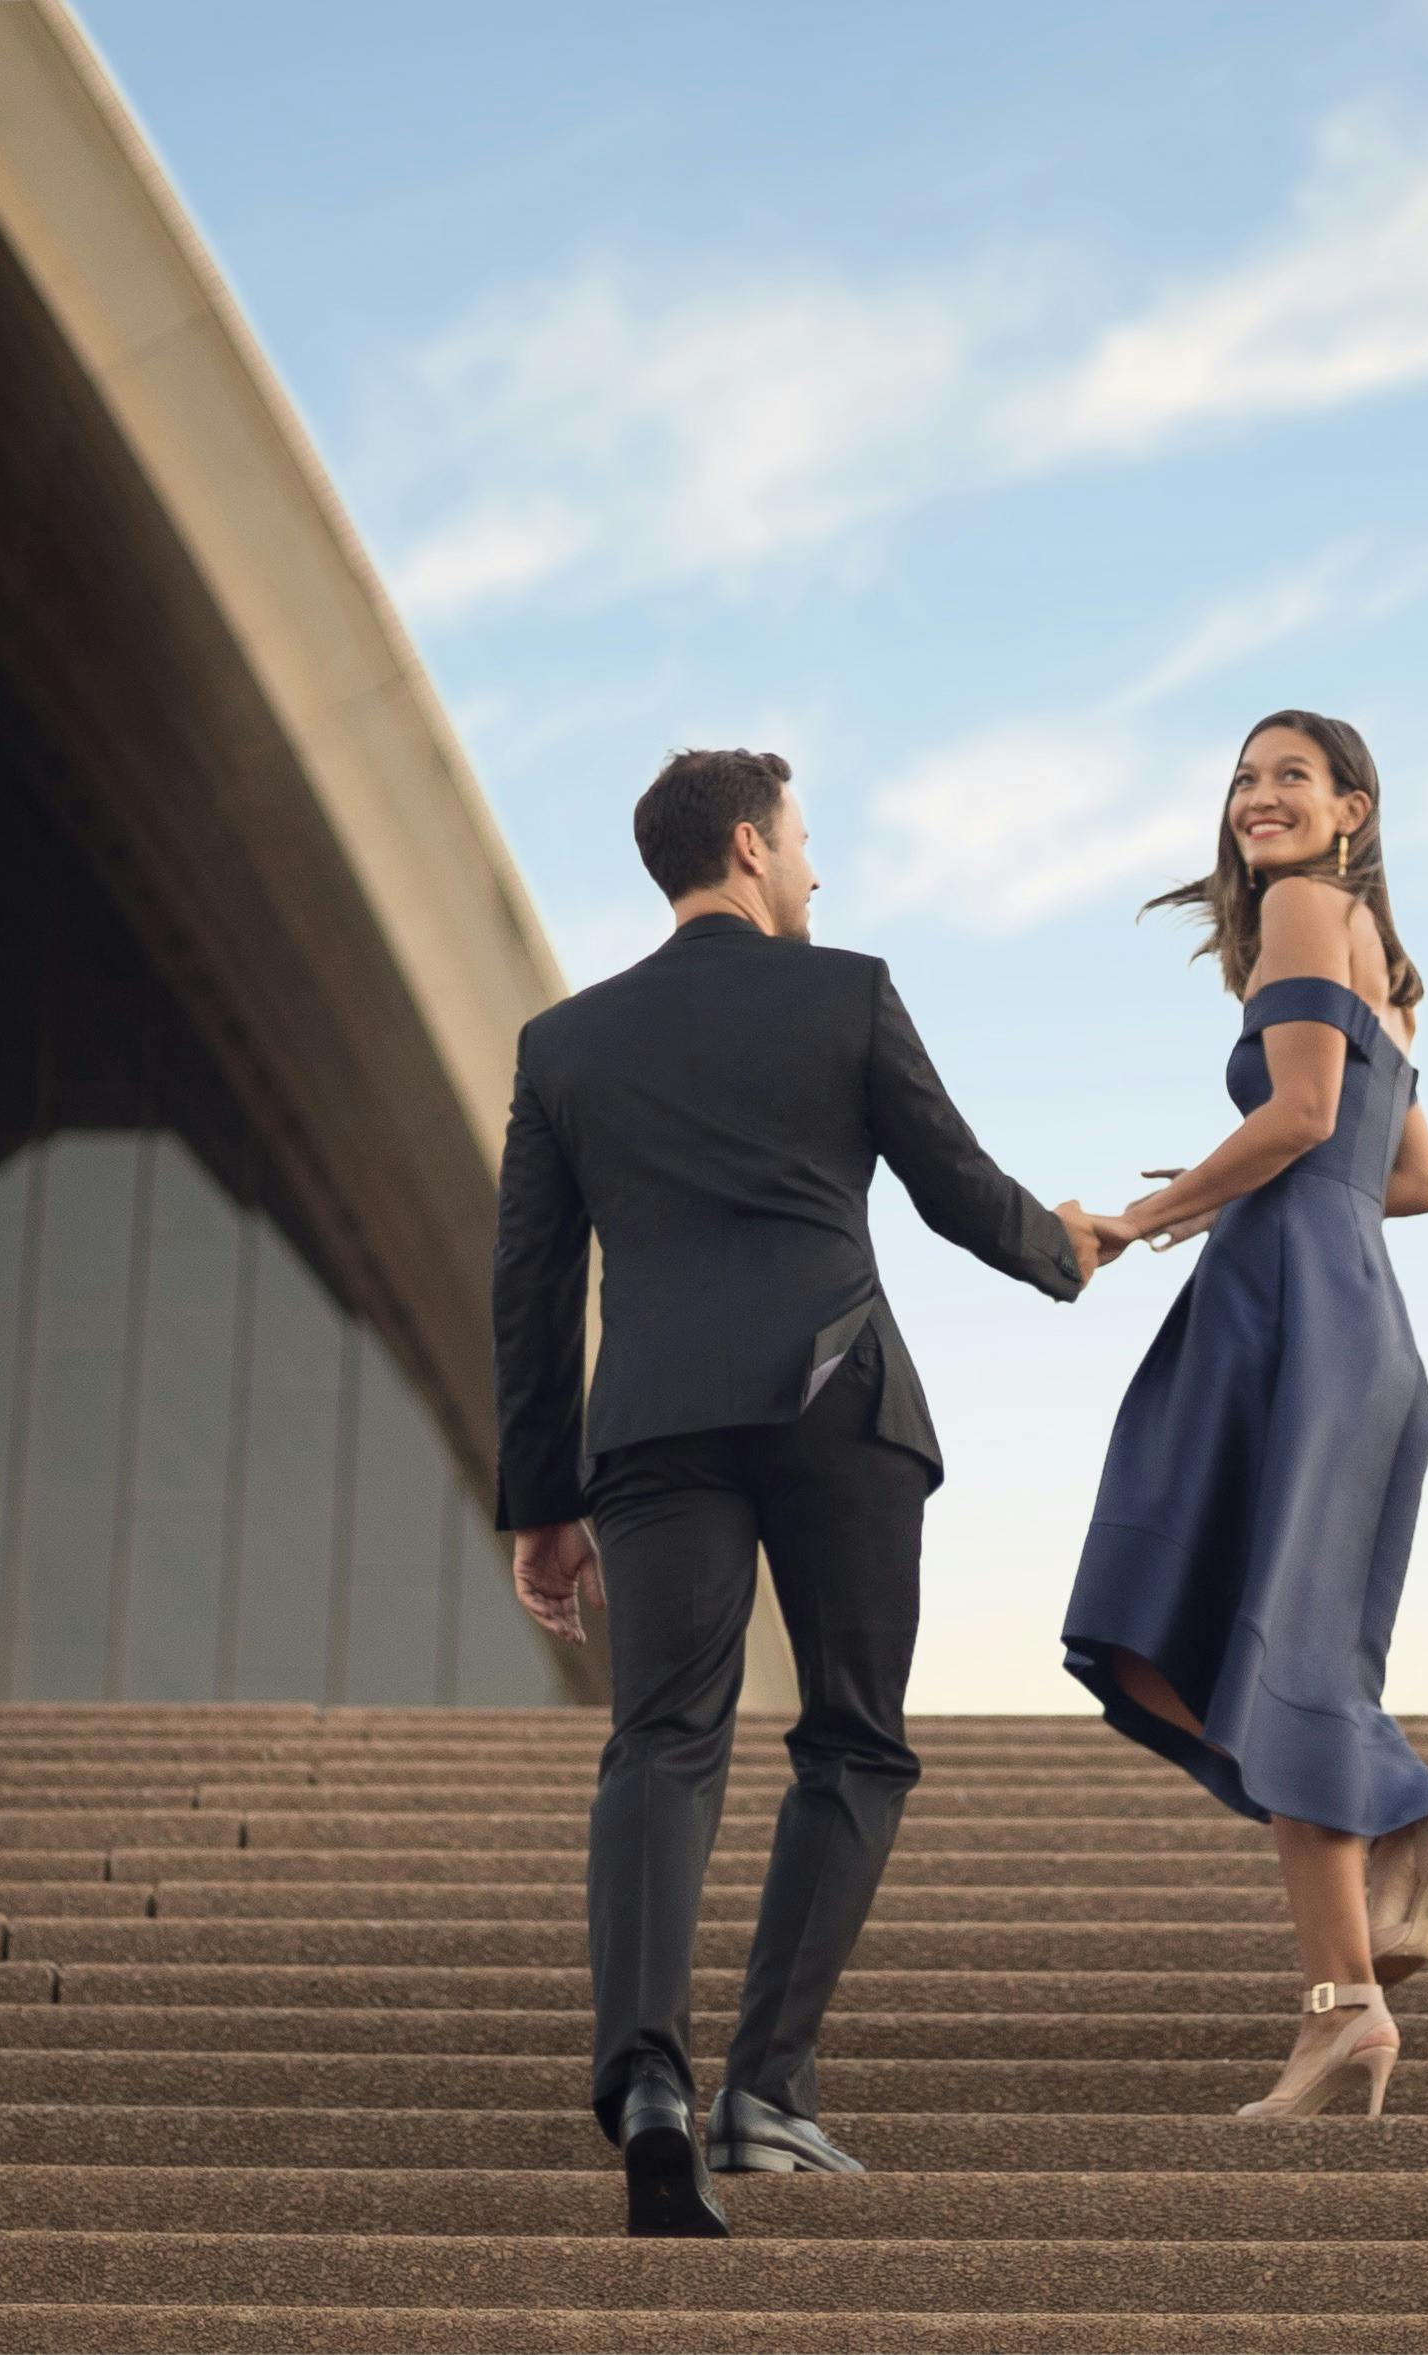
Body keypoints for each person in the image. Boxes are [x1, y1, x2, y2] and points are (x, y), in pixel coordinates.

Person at [493, 748, 1106, 2237]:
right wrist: (1066, 1247)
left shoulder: (565, 1044)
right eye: (809, 844)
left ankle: (647, 2079)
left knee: (663, 1742)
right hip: (840, 1404)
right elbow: (959, 1188)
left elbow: (527, 1288)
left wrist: (540, 1498)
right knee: (851, 1740)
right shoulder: (845, 992)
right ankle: (767, 2089)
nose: (818, 874)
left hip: (650, 1434)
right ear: (754, 848)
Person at [1061, 708, 1428, 2122]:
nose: (1258, 798)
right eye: (1242, 778)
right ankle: (1344, 1998)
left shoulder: (1308, 908)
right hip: (1356, 1309)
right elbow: (1405, 1177)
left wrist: (1153, 1212)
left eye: (1290, 777)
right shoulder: (1389, 971)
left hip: (1287, 1311)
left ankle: (1407, 1814)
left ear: (1352, 810)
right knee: (1251, 1654)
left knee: (1190, 1620)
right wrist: (1261, 1173)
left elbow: (1301, 1112)